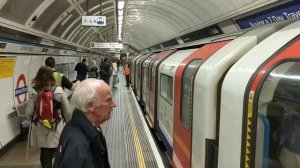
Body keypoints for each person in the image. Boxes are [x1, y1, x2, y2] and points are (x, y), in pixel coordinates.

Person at [53, 79, 116, 168]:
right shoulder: (77, 146)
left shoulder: (89, 128)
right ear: (91, 106)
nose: (114, 104)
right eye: (108, 100)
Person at [25, 66, 72, 168]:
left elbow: (29, 112)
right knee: (57, 149)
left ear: (38, 77)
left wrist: (33, 121)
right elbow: (68, 111)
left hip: (41, 126)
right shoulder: (58, 90)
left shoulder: (34, 91)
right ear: (51, 76)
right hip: (56, 124)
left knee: (45, 152)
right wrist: (68, 123)